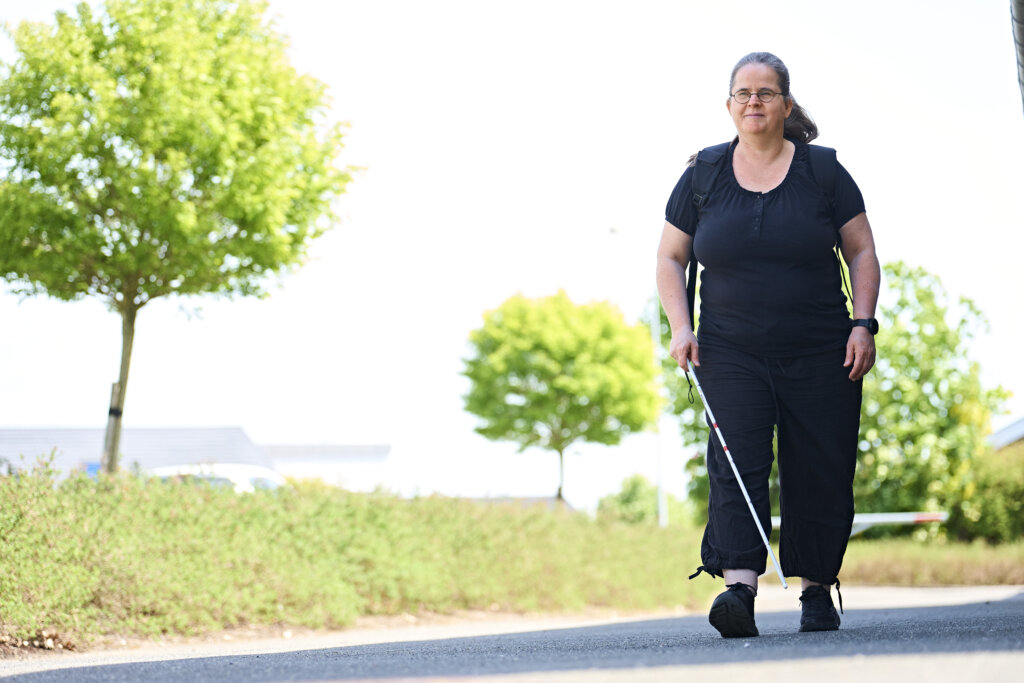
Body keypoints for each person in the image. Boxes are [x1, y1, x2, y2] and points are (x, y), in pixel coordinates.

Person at [656, 51, 880, 638]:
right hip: (729, 352)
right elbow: (670, 257)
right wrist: (682, 327)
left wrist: (864, 323)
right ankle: (739, 590)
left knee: (819, 466)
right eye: (742, 93)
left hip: (822, 350)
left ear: (786, 103)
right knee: (736, 464)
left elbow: (860, 251)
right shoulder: (703, 175)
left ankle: (814, 591)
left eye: (765, 92)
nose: (753, 101)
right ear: (729, 104)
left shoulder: (824, 172)